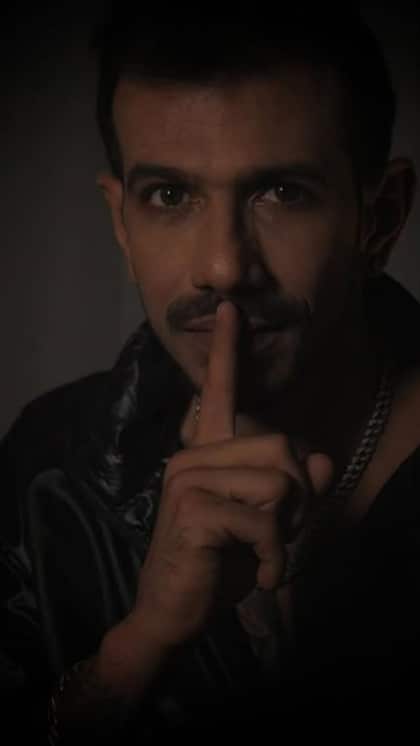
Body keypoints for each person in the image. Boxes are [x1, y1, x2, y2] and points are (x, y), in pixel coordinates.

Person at [1, 5, 420, 743]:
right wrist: (139, 647)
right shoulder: (50, 462)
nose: (224, 267)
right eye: (170, 196)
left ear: (379, 217)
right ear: (122, 222)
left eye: (282, 193)